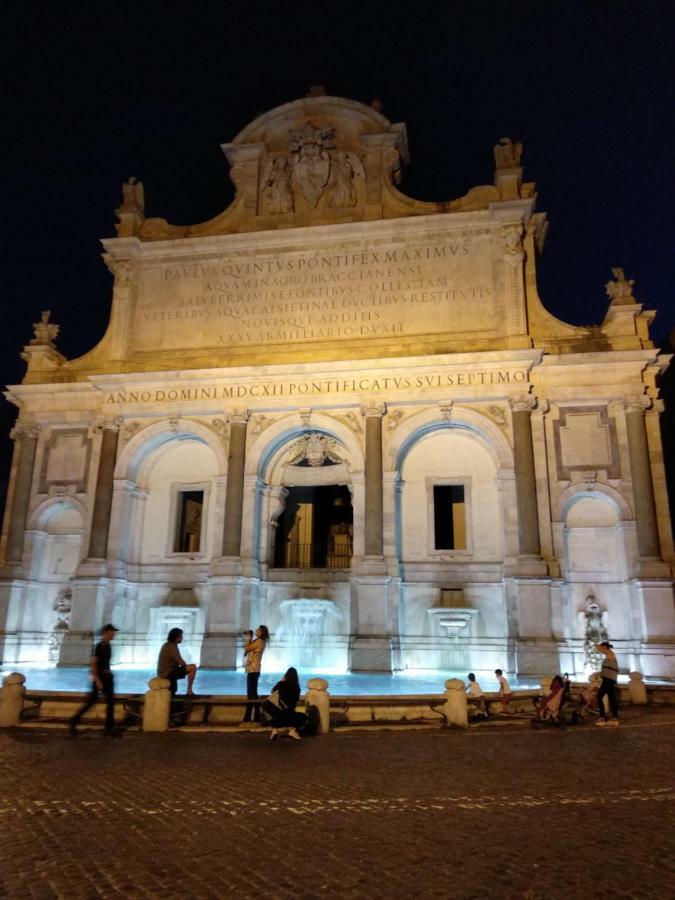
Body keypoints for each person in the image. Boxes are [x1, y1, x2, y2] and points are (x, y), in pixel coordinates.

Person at [69, 624, 119, 736]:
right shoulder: (99, 646)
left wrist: (109, 673)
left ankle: (109, 729)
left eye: (114, 632)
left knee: (110, 703)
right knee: (92, 702)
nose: (114, 634)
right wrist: (97, 680)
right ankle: (74, 720)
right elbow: (93, 664)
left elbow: (105, 663)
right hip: (100, 678)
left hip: (107, 677)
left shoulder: (108, 646)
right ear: (105, 633)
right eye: (112, 632)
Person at [262, 667, 308, 741]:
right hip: (285, 716)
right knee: (304, 717)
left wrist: (282, 681)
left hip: (272, 715)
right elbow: (292, 705)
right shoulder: (296, 688)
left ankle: (274, 730)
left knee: (275, 712)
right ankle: (292, 731)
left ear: (286, 675)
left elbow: (272, 692)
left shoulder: (280, 684)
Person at [242, 625, 269, 724]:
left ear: (262, 632)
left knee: (251, 694)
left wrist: (248, 639)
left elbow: (248, 648)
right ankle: (252, 716)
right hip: (253, 669)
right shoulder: (259, 640)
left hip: (254, 669)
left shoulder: (259, 641)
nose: (256, 630)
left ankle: (251, 717)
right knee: (252, 693)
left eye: (258, 630)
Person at [157, 628, 197, 696]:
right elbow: (180, 662)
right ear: (176, 637)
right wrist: (185, 667)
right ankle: (189, 691)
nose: (182, 638)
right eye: (181, 636)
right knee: (193, 667)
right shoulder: (171, 647)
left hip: (164, 672)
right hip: (168, 673)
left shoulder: (167, 645)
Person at [595, 641, 620, 726]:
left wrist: (597, 645)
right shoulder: (609, 655)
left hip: (608, 680)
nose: (600, 651)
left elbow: (598, 647)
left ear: (605, 647)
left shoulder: (610, 654)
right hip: (609, 679)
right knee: (612, 698)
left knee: (599, 696)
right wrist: (599, 674)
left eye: (602, 648)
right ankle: (614, 718)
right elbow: (608, 669)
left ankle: (602, 717)